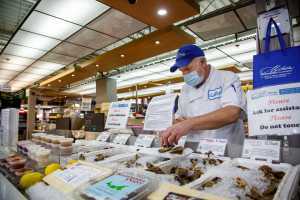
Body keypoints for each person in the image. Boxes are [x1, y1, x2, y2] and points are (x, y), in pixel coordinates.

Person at [160, 44, 247, 157]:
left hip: (226, 152)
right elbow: (179, 118)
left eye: (188, 69)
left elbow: (232, 113)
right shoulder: (185, 89)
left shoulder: (227, 78)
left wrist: (189, 123)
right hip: (193, 152)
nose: (185, 75)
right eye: (182, 71)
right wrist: (171, 128)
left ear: (203, 62)